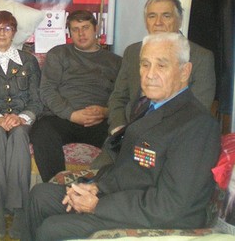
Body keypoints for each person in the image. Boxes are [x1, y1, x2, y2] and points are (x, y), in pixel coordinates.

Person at [22, 32, 221, 240]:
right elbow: (126, 167)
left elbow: (171, 205)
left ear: (184, 71)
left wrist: (98, 205)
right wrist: (93, 186)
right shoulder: (148, 106)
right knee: (40, 196)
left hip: (151, 216)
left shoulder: (197, 125)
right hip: (121, 196)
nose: (150, 74)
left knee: (52, 228)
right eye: (145, 64)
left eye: (161, 66)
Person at [29, 10, 121, 182]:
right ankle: (56, 188)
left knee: (124, 137)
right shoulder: (58, 54)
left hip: (100, 121)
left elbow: (122, 96)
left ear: (96, 29)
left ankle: (100, 189)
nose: (81, 34)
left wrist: (105, 112)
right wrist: (72, 114)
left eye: (85, 27)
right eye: (75, 29)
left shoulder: (115, 61)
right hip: (62, 118)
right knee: (42, 131)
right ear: (69, 33)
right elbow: (47, 90)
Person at [107, 0, 215, 138]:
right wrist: (118, 128)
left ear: (179, 21)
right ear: (146, 22)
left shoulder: (201, 57)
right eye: (152, 16)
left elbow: (197, 110)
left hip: (171, 138)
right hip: (127, 132)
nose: (158, 22)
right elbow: (118, 98)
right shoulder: (132, 52)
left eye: (166, 16)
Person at [0, 11, 43, 239]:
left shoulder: (28, 61)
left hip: (21, 120)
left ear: (14, 32)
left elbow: (37, 100)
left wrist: (22, 117)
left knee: (18, 135)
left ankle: (19, 210)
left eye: (7, 28)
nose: (2, 33)